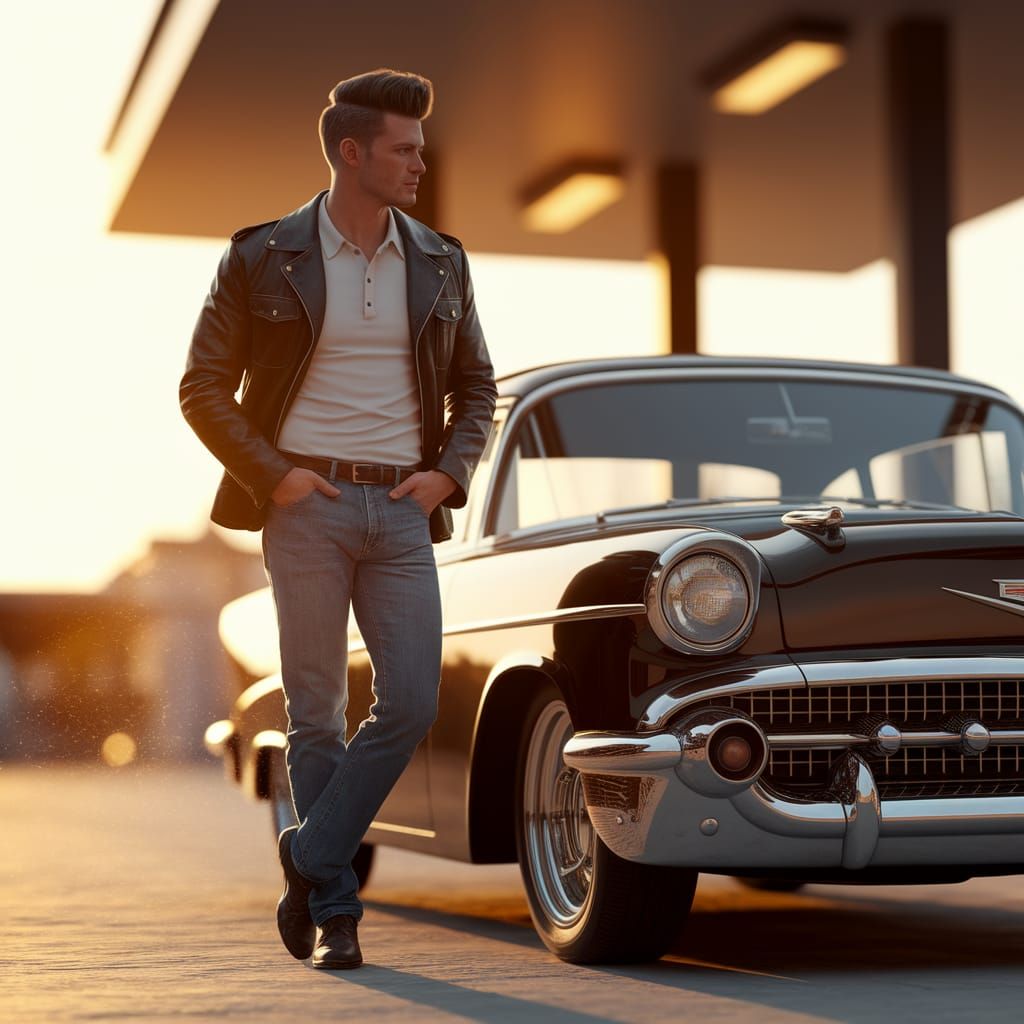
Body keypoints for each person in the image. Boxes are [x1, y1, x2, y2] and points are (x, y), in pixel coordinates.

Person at [179, 68, 497, 969]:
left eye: (421, 149)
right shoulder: (261, 255)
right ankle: (337, 914)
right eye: (405, 149)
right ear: (351, 153)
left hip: (403, 508)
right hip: (306, 509)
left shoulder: (441, 259)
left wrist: (447, 476)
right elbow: (200, 387)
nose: (420, 163)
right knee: (314, 714)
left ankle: (309, 854)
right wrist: (275, 476)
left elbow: (476, 388)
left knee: (411, 702)